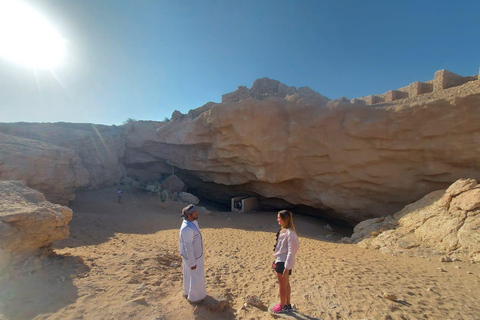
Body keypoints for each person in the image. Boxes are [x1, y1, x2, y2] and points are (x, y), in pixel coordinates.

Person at [272, 210, 299, 313]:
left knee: (282, 285)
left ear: (285, 219)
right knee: (286, 284)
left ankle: (282, 305)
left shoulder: (290, 233)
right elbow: (280, 249)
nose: (278, 219)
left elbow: (292, 251)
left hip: (284, 262)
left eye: (279, 218)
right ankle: (287, 304)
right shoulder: (284, 230)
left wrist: (287, 268)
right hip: (280, 261)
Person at [179, 204, 206, 303]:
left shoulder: (193, 222)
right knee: (196, 275)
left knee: (189, 274)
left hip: (195, 254)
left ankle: (187, 292)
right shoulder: (186, 228)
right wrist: (192, 263)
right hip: (192, 257)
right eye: (194, 213)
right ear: (189, 216)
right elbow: (188, 247)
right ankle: (195, 298)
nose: (197, 213)